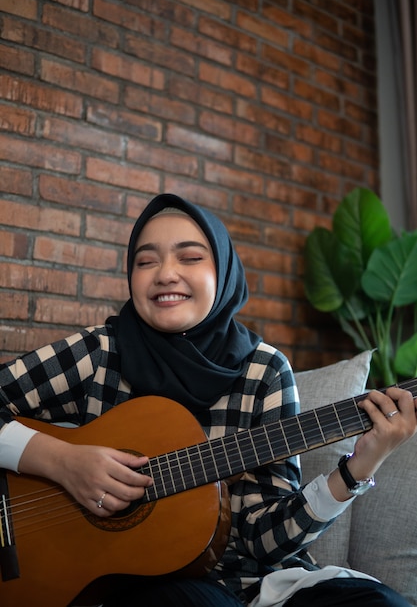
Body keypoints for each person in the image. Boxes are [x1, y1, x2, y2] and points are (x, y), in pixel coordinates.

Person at [0, 193, 416, 607]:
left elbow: (263, 541)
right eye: (146, 261)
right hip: (145, 587)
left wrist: (357, 469)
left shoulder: (264, 371)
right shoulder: (100, 353)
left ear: (223, 270)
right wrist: (62, 461)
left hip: (260, 587)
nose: (165, 274)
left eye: (190, 257)